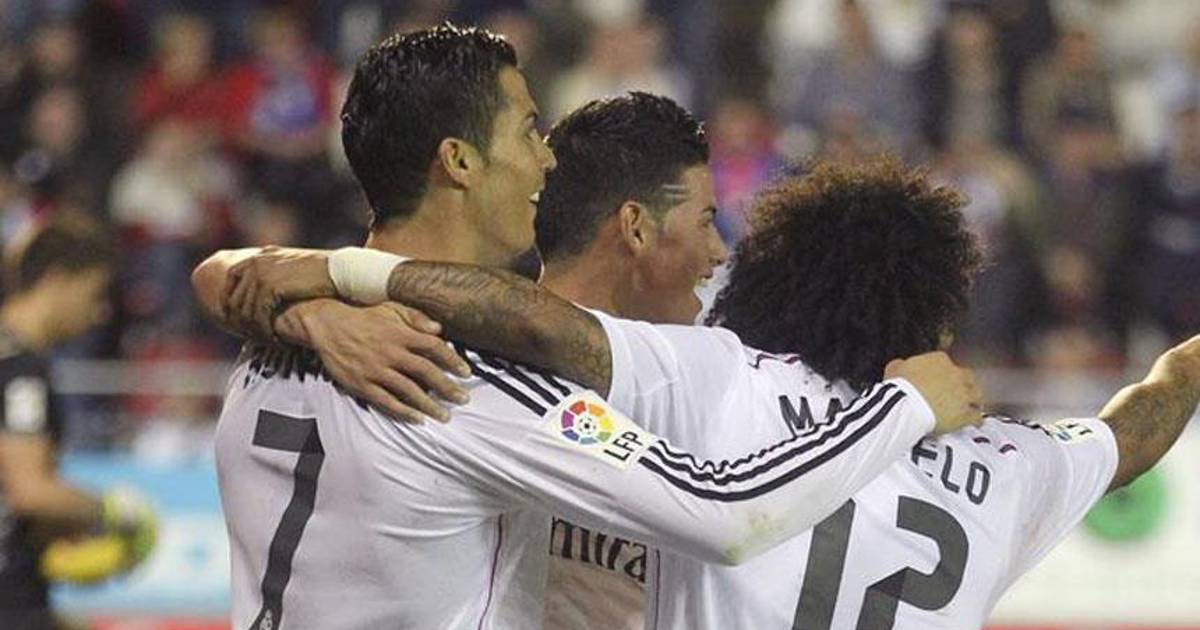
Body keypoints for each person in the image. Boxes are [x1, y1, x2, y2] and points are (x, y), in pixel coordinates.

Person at [197, 27, 981, 630]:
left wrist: (315, 307)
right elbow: (726, 514)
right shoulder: (453, 379)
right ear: (460, 161)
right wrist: (905, 405)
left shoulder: (269, 329)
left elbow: (226, 274)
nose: (547, 162)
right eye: (528, 131)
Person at [212, 158, 1197, 629]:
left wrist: (338, 276)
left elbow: (538, 324)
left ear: (784, 279)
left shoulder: (718, 375)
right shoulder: (1008, 464)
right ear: (936, 317)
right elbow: (1143, 420)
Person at [0, 214, 156, 630]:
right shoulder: (20, 374)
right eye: (95, 293)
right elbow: (30, 492)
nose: (100, 313)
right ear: (57, 279)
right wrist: (115, 512)